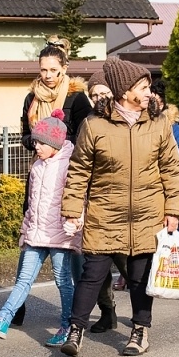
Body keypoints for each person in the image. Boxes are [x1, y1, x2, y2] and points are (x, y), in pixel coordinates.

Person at [59, 58, 179, 357]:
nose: (148, 92)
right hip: (106, 214)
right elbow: (78, 172)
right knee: (92, 274)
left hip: (147, 214)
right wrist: (73, 210)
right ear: (124, 90)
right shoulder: (94, 125)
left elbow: (171, 169)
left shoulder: (159, 124)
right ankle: (75, 330)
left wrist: (174, 209)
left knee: (140, 277)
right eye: (142, 86)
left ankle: (140, 331)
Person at [0, 110, 82, 343]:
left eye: (41, 142)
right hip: (36, 234)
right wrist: (26, 230)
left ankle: (67, 326)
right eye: (35, 141)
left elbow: (78, 197)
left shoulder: (69, 166)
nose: (36, 146)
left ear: (54, 143)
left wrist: (75, 222)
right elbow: (32, 204)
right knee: (23, 280)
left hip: (61, 235)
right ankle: (2, 320)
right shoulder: (37, 167)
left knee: (63, 281)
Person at [12, 42, 94, 327]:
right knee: (29, 243)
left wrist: (59, 143)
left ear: (64, 69)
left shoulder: (77, 99)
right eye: (43, 70)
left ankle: (84, 313)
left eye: (53, 70)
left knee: (72, 259)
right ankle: (15, 310)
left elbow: (88, 140)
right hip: (39, 178)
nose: (48, 76)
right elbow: (24, 136)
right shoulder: (31, 100)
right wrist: (37, 140)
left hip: (68, 181)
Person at [82, 78, 121, 334]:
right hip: (97, 205)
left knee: (129, 265)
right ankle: (108, 311)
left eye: (105, 92)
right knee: (97, 267)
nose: (101, 98)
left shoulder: (127, 121)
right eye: (95, 94)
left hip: (126, 206)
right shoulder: (88, 123)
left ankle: (142, 322)